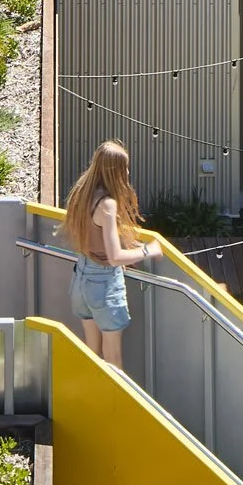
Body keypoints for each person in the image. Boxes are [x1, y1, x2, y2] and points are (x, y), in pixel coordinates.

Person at [62, 141, 162, 369]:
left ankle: (91, 401)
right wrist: (149, 250)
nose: (127, 173)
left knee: (92, 353)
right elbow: (115, 257)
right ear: (115, 171)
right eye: (125, 168)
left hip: (81, 279)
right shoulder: (107, 205)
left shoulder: (82, 193)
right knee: (113, 359)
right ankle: (112, 405)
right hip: (103, 283)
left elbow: (97, 237)